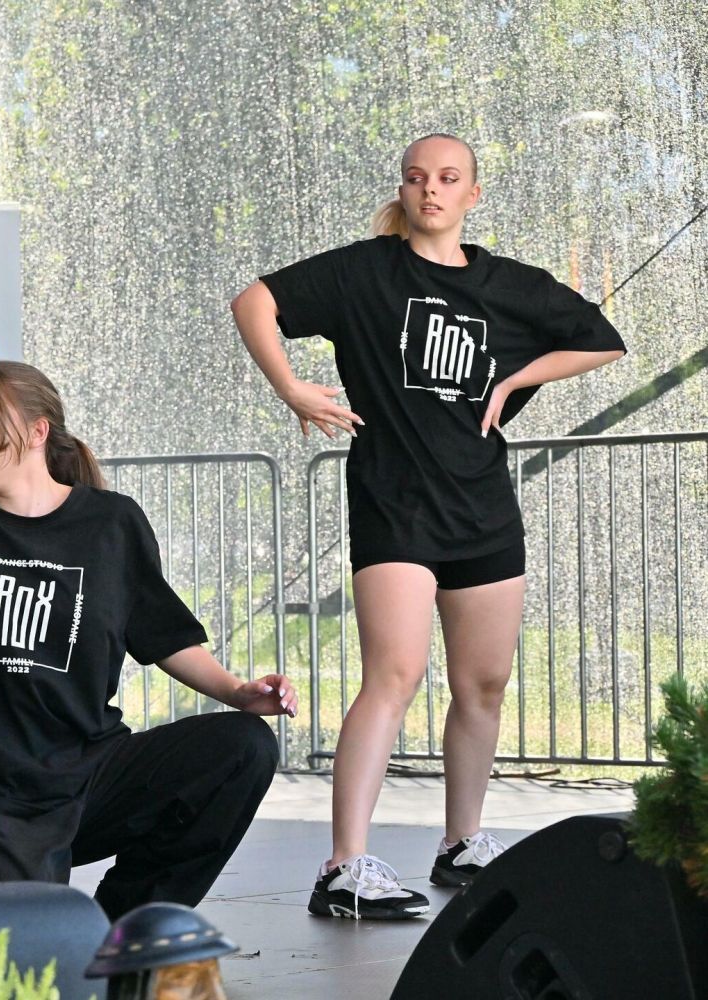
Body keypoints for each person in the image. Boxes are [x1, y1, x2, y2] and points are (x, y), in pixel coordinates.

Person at [232, 133, 626, 919]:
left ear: (472, 194)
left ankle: (461, 842)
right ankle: (343, 865)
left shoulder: (508, 285)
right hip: (395, 502)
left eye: (448, 178)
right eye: (417, 178)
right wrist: (292, 388)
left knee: (484, 684)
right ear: (404, 191)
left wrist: (515, 378)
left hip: (483, 508)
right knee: (395, 674)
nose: (431, 189)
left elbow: (602, 341)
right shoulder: (364, 272)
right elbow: (255, 301)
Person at [0, 360, 295, 921]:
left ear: (38, 430)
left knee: (243, 748)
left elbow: (162, 634)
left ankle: (122, 932)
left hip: (87, 772)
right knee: (21, 948)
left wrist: (236, 692)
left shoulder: (113, 524)